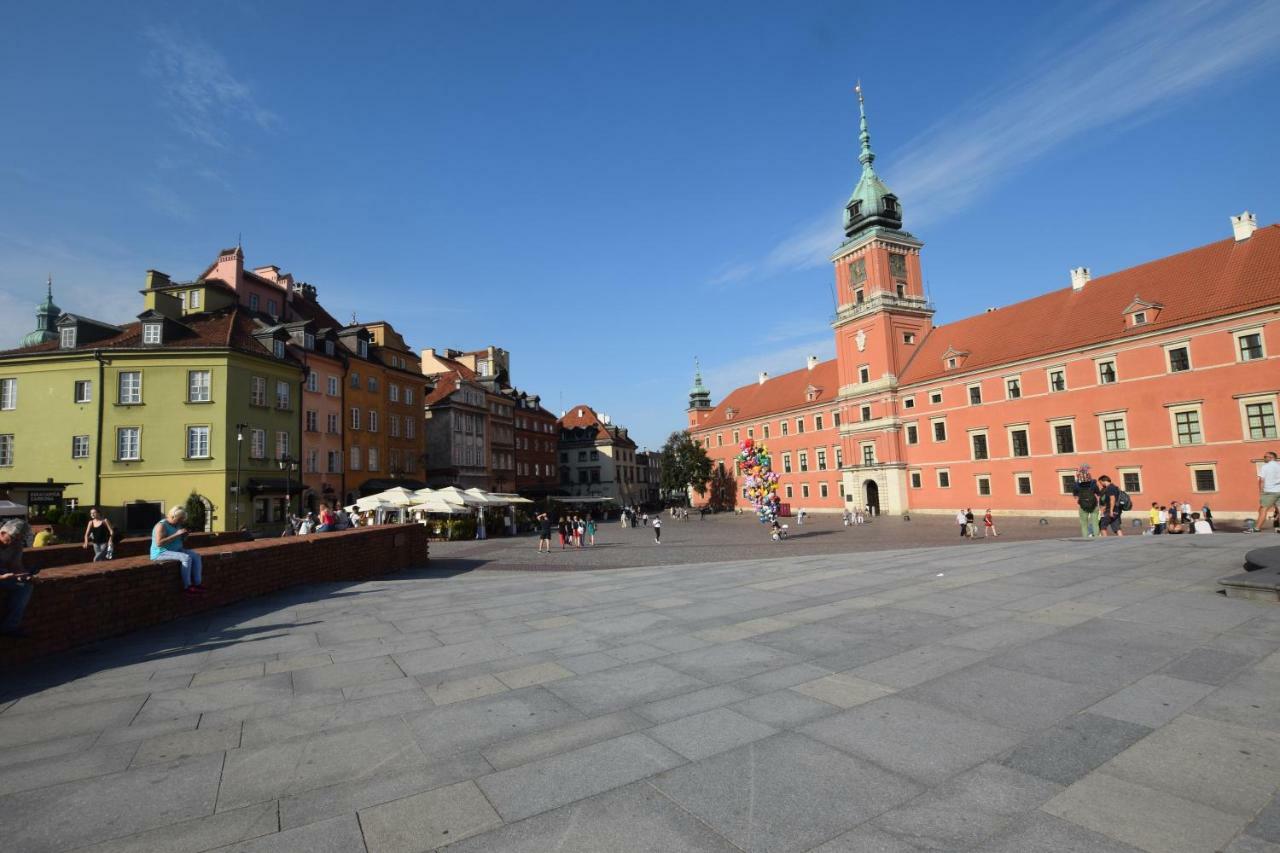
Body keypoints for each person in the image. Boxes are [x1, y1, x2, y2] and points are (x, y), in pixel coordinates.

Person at [151, 506, 204, 596]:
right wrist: (176, 534)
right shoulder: (161, 525)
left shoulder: (176, 525)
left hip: (176, 550)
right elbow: (159, 543)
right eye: (180, 519)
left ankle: (198, 584)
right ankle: (187, 586)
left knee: (196, 556)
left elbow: (180, 540)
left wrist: (185, 535)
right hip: (161, 552)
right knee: (186, 558)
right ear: (173, 517)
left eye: (182, 520)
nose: (181, 522)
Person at [0, 519, 34, 637]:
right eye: (12, 538)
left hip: (4, 575)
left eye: (18, 539)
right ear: (2, 533)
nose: (14, 542)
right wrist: (2, 577)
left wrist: (26, 576)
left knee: (25, 587)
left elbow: (16, 566)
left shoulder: (16, 545)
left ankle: (9, 627)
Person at [1253, 451, 1280, 533]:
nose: (1264, 458)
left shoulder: (1265, 467)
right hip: (1279, 490)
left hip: (1269, 491)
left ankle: (1257, 528)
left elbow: (1261, 480)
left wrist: (1261, 492)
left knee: (1263, 509)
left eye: (1265, 457)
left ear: (1271, 457)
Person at [1072, 466, 1101, 538]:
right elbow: (1098, 493)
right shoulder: (1093, 484)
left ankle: (1085, 537)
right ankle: (1096, 536)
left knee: (1084, 524)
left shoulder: (1076, 485)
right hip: (1094, 505)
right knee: (1095, 523)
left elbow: (1075, 496)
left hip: (1083, 506)